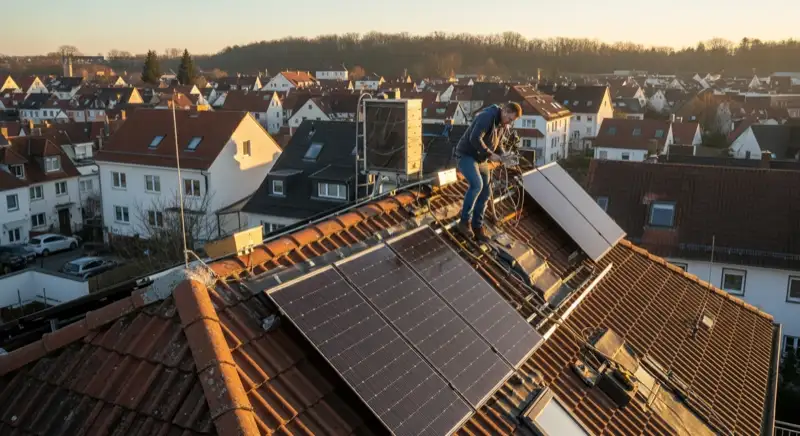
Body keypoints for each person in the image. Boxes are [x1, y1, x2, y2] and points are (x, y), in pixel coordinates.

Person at [454, 102, 522, 242]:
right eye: (510, 119)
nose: (509, 123)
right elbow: (475, 138)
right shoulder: (487, 117)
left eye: (512, 121)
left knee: (486, 192)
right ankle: (464, 222)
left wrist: (503, 155)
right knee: (477, 185)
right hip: (466, 155)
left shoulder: (501, 124)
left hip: (481, 159)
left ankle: (477, 226)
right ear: (505, 111)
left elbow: (497, 144)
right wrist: (490, 154)